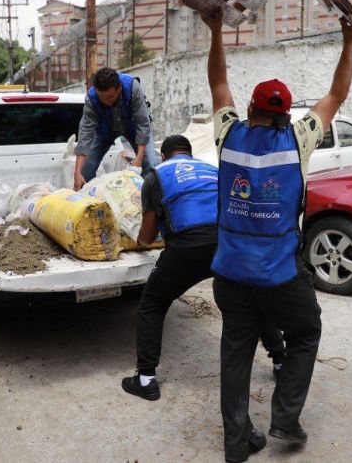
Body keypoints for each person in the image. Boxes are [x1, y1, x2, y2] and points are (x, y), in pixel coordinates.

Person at [202, 11, 352, 462]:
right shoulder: (299, 139)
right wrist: (348, 41)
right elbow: (337, 94)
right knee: (306, 332)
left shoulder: (227, 134)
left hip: (230, 274)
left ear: (251, 110)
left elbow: (218, 82)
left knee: (235, 354)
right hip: (279, 276)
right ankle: (284, 420)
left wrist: (216, 30)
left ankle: (237, 443)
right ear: (285, 114)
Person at [121, 135, 285, 402]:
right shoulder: (213, 170)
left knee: (152, 303)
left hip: (186, 248)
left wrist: (139, 239)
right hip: (227, 244)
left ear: (164, 155)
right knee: (253, 300)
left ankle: (146, 379)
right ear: (190, 153)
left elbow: (148, 236)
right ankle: (280, 361)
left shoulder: (155, 176)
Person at [73, 67, 158, 190]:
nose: (105, 101)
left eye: (109, 97)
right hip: (104, 131)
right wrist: (77, 172)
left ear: (119, 89)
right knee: (84, 170)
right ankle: (89, 201)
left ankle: (146, 201)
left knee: (150, 165)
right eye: (101, 97)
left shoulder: (132, 87)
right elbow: (85, 133)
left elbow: (143, 123)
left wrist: (139, 158)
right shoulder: (91, 98)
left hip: (134, 128)